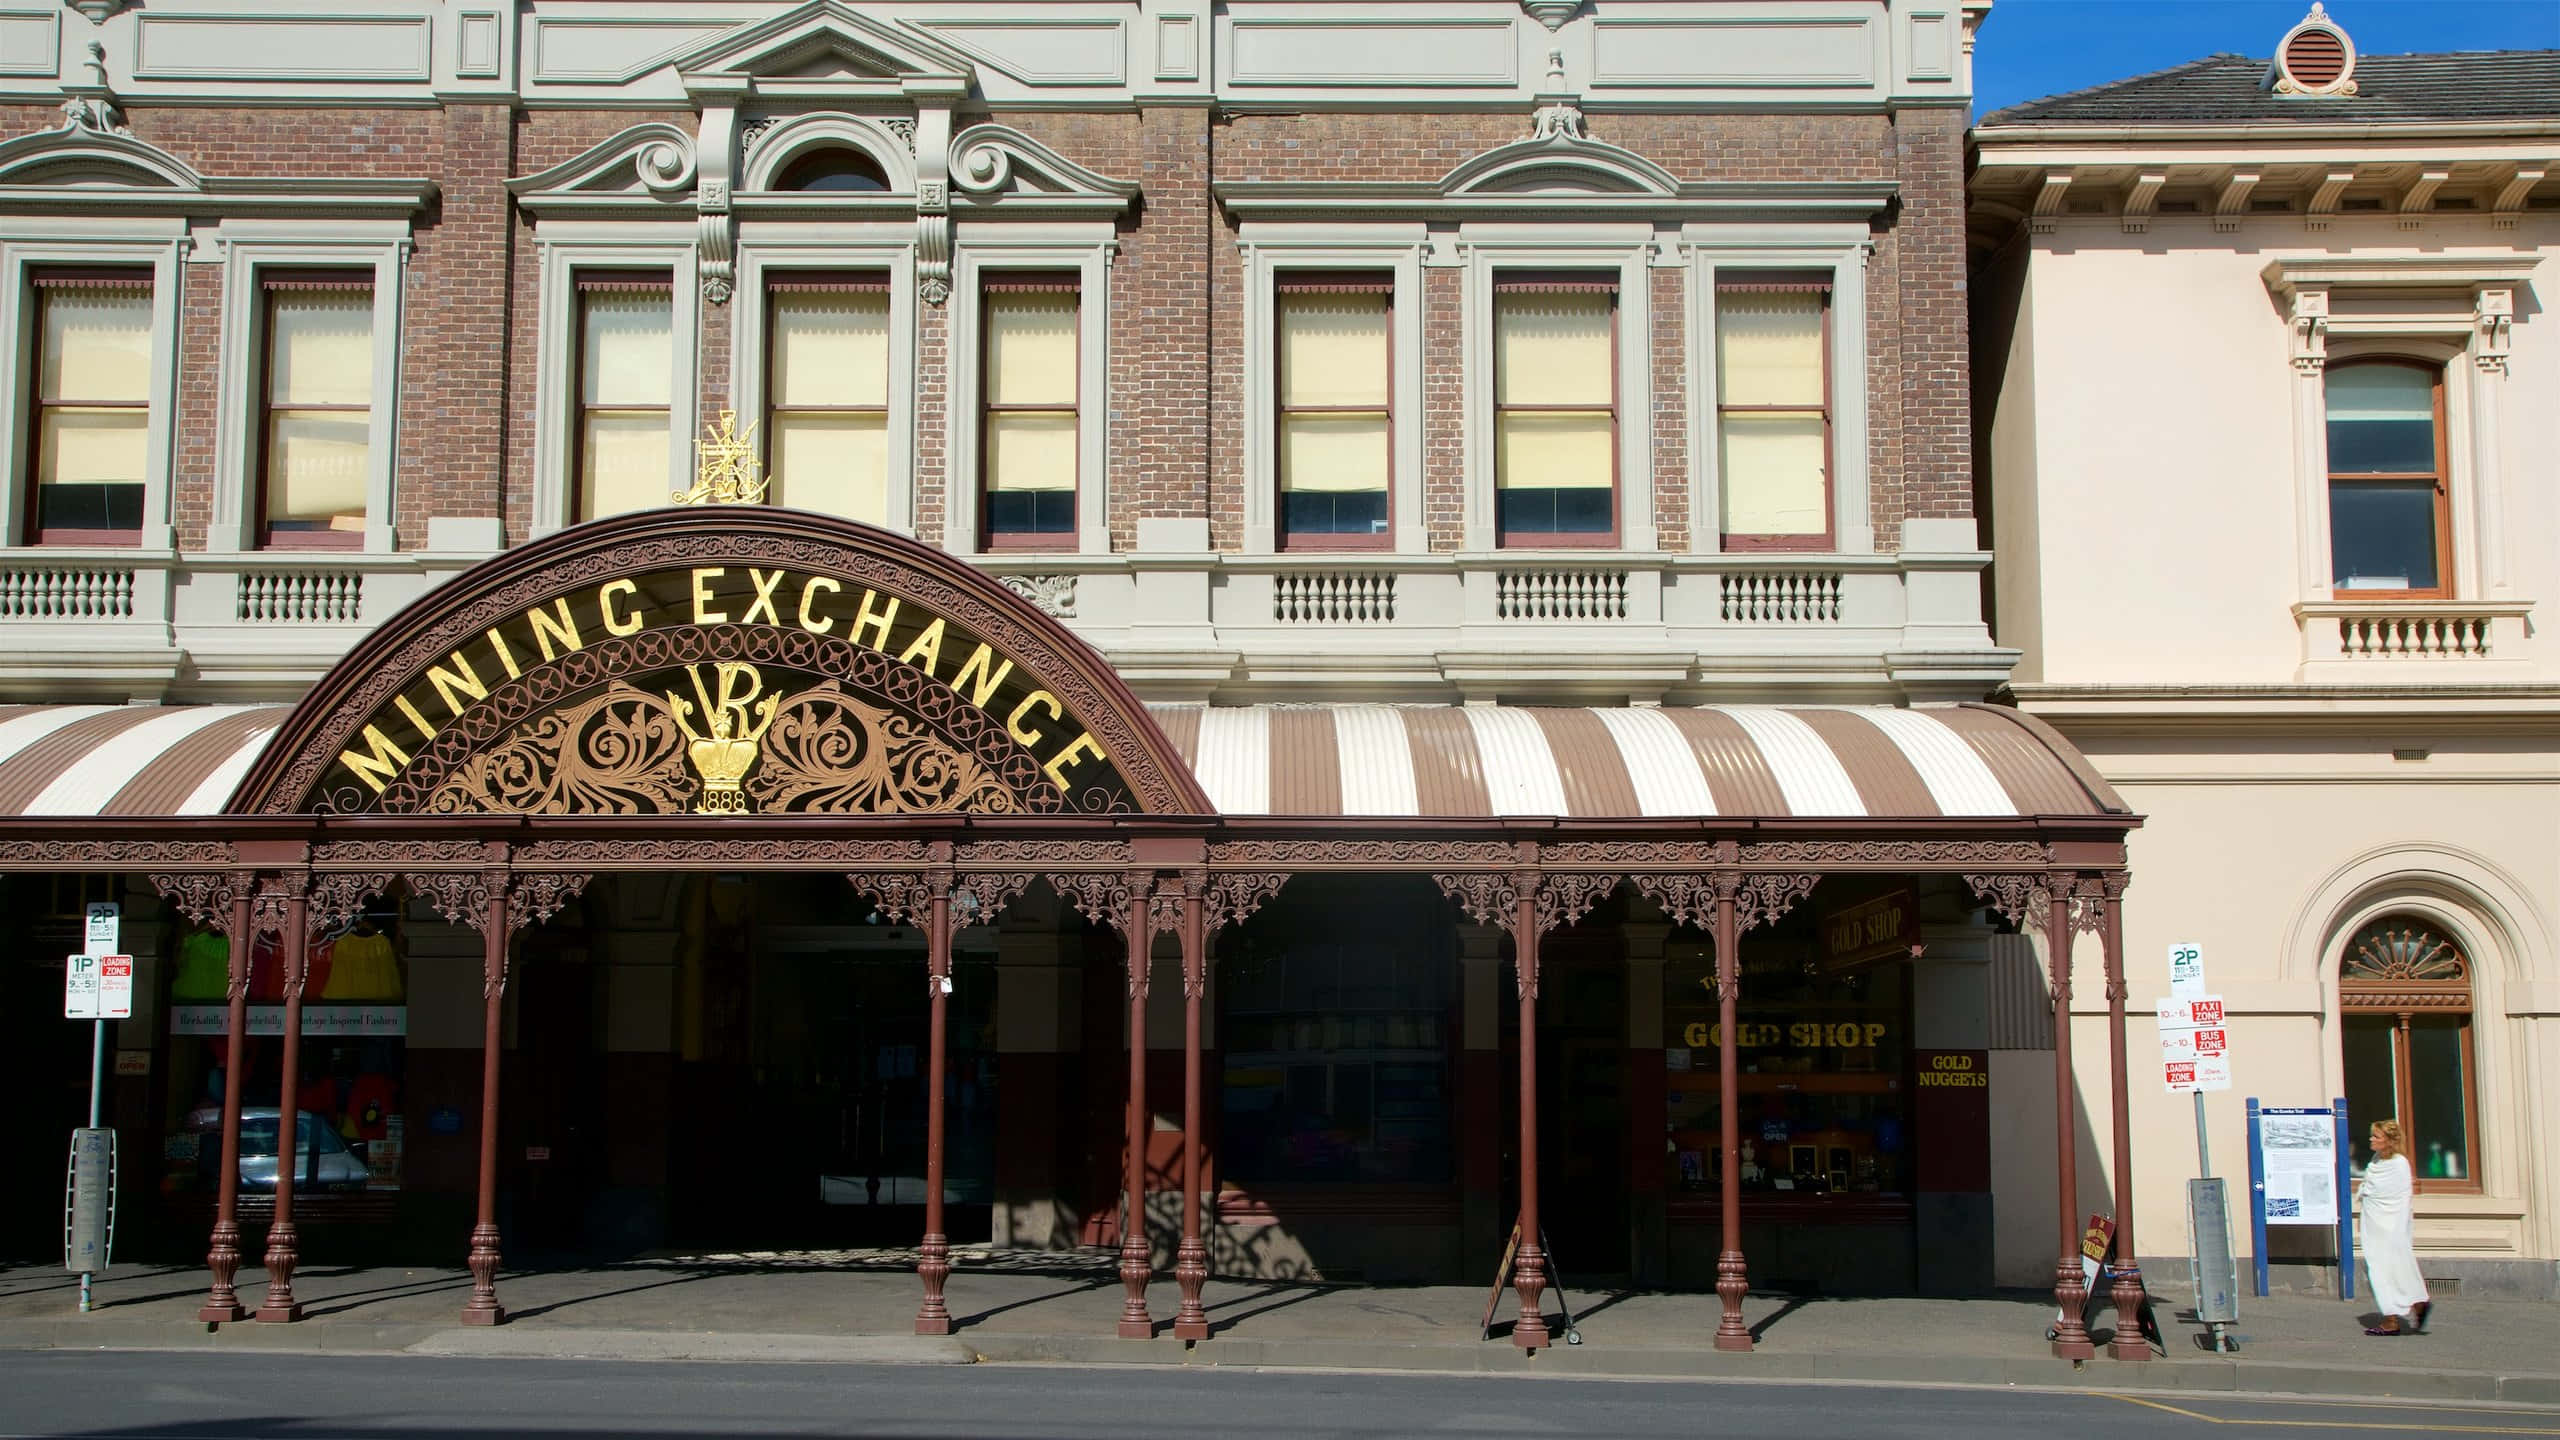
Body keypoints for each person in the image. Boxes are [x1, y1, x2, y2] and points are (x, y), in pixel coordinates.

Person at [2356, 1118, 2432, 1336]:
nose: (2371, 1139)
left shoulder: (2399, 1164)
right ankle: (2415, 1305)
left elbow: (2398, 1199)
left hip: (2391, 1227)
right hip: (2374, 1224)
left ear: (2389, 1141)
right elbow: (2372, 1188)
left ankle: (2393, 1319)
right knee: (2383, 1268)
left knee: (2390, 1268)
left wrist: (2396, 1229)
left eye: (2376, 1136)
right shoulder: (2376, 1160)